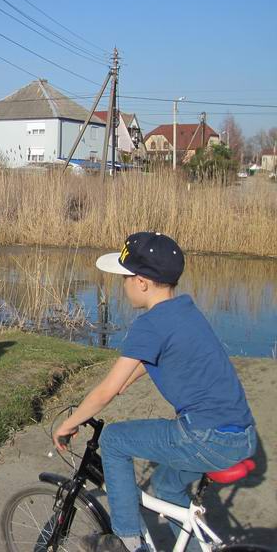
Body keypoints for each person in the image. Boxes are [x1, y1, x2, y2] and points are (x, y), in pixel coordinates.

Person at [52, 232, 257, 552]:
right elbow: (150, 361)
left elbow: (105, 390)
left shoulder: (150, 325)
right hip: (239, 434)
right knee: (165, 487)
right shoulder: (184, 309)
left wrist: (69, 423)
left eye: (125, 278)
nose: (123, 286)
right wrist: (124, 383)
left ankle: (125, 540)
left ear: (142, 282)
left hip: (207, 437)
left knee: (114, 439)